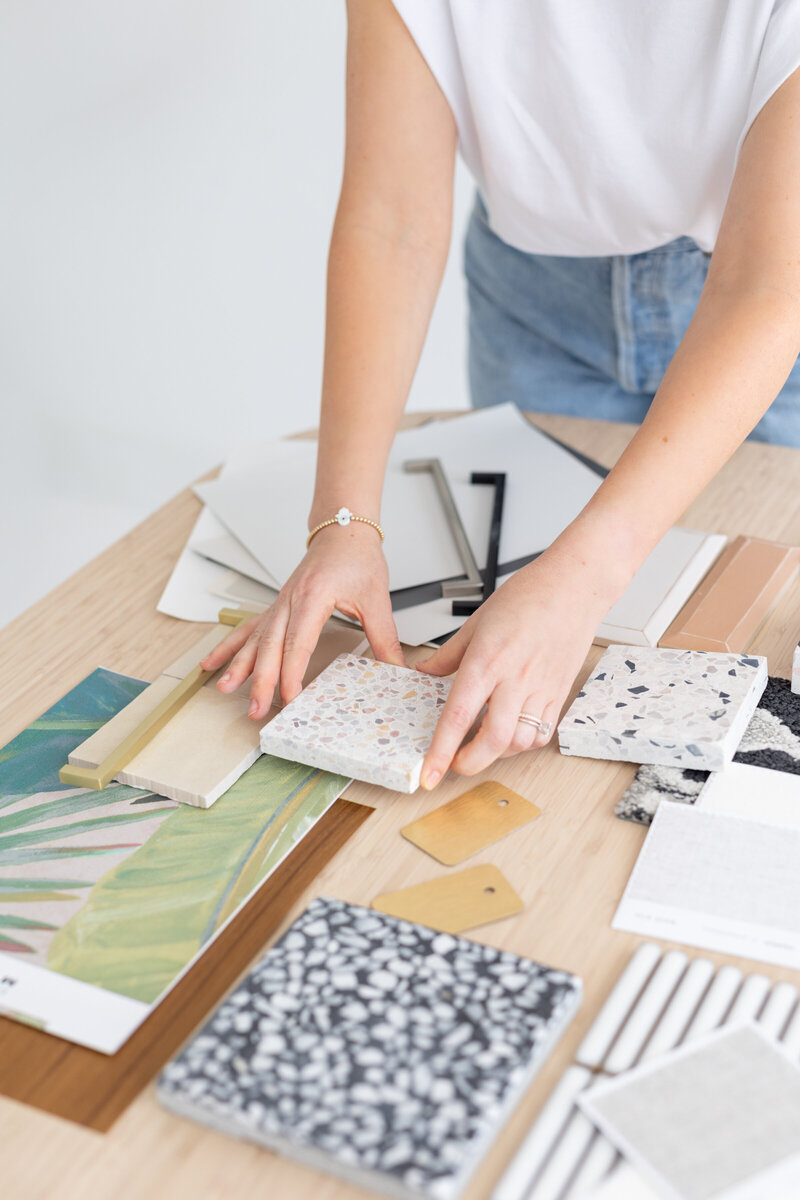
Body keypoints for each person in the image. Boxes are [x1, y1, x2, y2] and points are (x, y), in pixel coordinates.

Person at [202, 0, 800, 788]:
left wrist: (580, 579)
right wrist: (344, 523)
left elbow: (764, 285)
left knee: (751, 662)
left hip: (768, 302)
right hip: (535, 299)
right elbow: (391, 224)